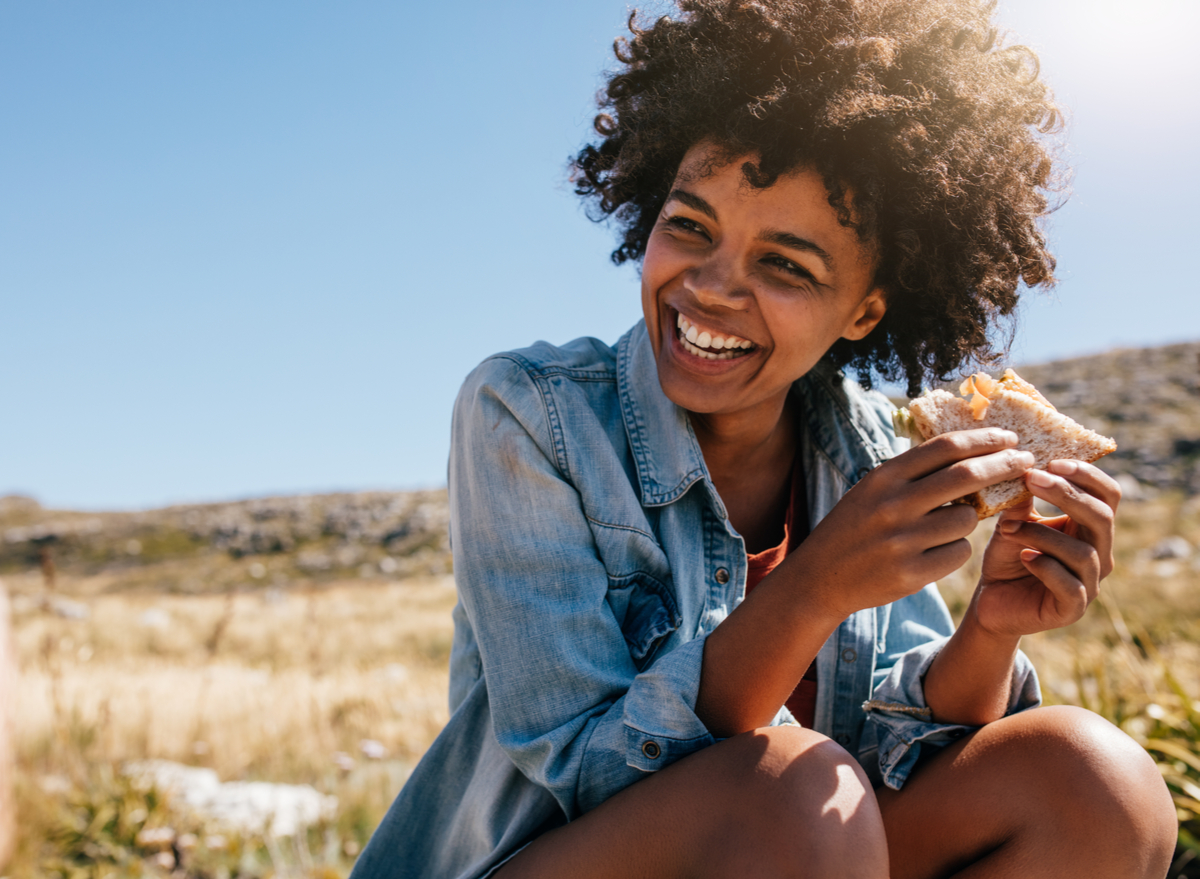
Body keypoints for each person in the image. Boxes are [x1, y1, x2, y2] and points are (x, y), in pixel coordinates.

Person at [352, 1, 1177, 876]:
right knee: (798, 793)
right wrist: (815, 586)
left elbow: (894, 746)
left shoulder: (865, 449)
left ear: (863, 311)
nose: (710, 287)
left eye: (784, 265)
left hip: (805, 847)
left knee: (1094, 782)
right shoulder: (529, 414)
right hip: (552, 856)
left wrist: (992, 628)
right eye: (689, 226)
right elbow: (584, 770)